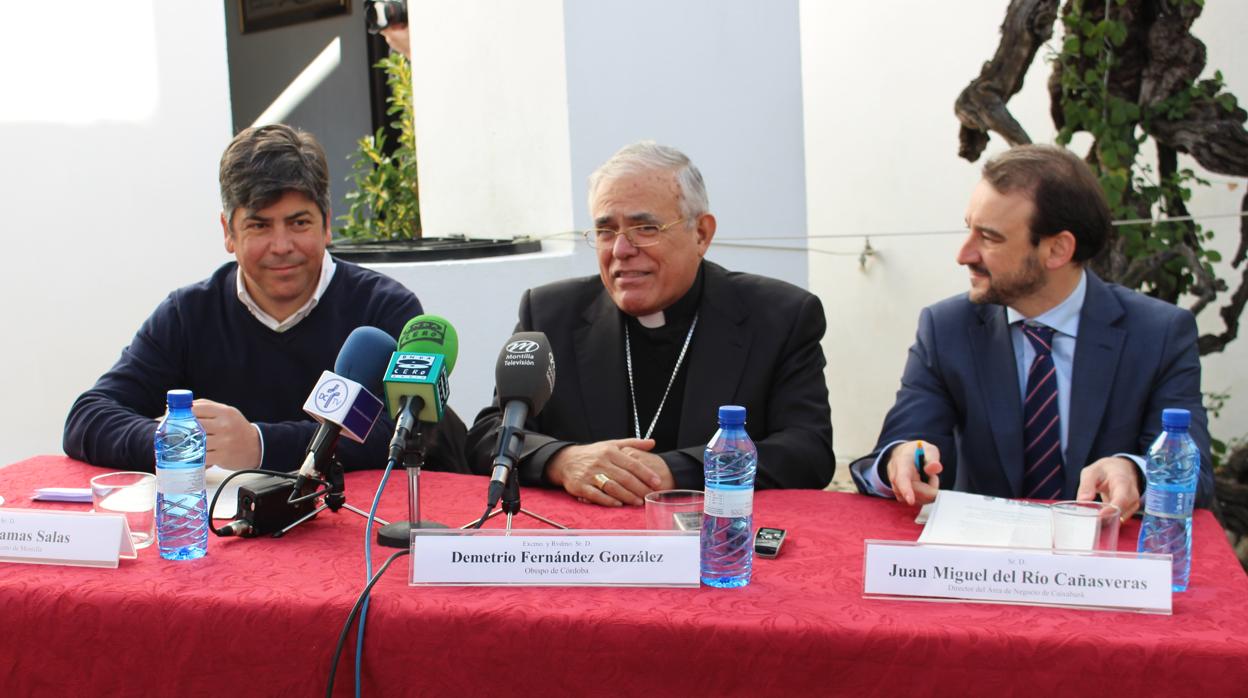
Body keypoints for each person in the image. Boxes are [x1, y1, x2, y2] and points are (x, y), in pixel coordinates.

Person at [64, 124, 465, 474]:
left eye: (299, 223)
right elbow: (88, 417)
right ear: (228, 232)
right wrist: (175, 439)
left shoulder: (384, 309)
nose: (281, 245)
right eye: (258, 225)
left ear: (327, 223)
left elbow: (404, 435)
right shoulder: (188, 315)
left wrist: (258, 445)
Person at [850, 144, 1213, 517]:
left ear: (1057, 250)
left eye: (989, 237)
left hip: (1104, 563)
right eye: (968, 230)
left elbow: (1194, 473)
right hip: (977, 565)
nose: (964, 254)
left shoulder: (1158, 333)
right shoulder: (947, 328)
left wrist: (1134, 472)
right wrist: (902, 458)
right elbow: (904, 444)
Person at [466, 141, 835, 506]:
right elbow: (489, 434)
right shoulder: (550, 313)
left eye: (645, 228)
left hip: (718, 543)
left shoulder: (780, 316)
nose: (621, 250)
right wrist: (563, 461)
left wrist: (674, 471)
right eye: (606, 231)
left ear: (701, 234)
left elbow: (808, 451)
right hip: (586, 549)